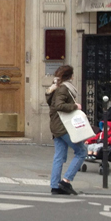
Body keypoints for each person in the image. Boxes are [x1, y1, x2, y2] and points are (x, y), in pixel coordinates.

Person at [46, 65, 86, 195]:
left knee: (59, 156)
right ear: (70, 76)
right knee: (81, 151)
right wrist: (75, 106)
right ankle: (66, 181)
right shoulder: (63, 88)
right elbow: (59, 105)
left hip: (56, 125)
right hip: (63, 126)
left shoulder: (55, 87)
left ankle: (55, 186)